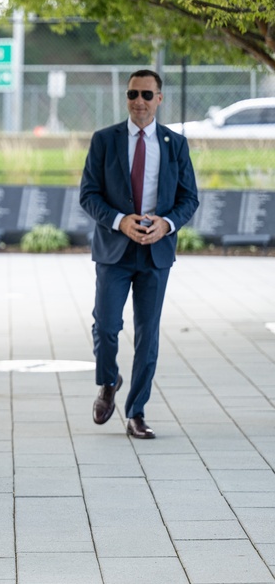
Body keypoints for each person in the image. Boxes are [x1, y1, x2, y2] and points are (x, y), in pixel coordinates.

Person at [80, 69, 199, 439]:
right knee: (107, 326)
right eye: (133, 94)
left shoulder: (175, 143)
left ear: (159, 99)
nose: (140, 101)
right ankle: (108, 381)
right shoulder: (105, 140)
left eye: (147, 95)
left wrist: (166, 224)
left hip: (156, 253)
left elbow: (189, 198)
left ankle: (137, 412)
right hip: (114, 250)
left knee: (148, 335)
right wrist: (120, 221)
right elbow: (88, 195)